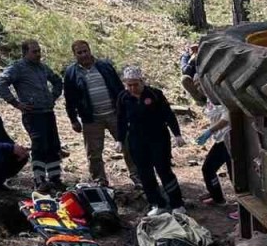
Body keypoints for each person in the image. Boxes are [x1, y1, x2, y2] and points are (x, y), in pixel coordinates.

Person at [63, 40, 138, 187]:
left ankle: (138, 176)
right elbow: (69, 98)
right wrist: (73, 119)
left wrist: (128, 109)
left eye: (85, 51)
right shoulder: (71, 73)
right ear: (74, 54)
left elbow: (119, 89)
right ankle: (100, 181)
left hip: (115, 114)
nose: (84, 55)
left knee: (129, 145)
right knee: (94, 153)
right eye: (80, 52)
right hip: (91, 119)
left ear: (90, 50)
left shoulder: (104, 66)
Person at [0, 39, 65, 191]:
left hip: (47, 112)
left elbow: (57, 81)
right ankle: (39, 179)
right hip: (32, 114)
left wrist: (53, 96)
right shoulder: (18, 68)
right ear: (25, 53)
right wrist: (16, 103)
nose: (38, 54)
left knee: (53, 145)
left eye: (39, 51)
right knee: (39, 145)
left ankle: (55, 178)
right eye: (34, 51)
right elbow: (0, 83)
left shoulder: (42, 68)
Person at [117, 67, 186, 216]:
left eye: (135, 84)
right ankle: (157, 203)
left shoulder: (155, 94)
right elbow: (121, 120)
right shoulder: (123, 97)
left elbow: (168, 114)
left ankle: (177, 203)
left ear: (142, 82)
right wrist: (120, 139)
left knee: (164, 170)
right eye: (129, 85)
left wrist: (177, 134)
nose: (132, 88)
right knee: (144, 172)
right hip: (136, 139)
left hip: (158, 137)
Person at [195, 100, 233, 210]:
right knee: (208, 169)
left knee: (235, 175)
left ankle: (242, 209)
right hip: (219, 139)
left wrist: (210, 131)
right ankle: (217, 197)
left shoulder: (220, 94)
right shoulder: (208, 98)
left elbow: (227, 118)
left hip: (229, 138)